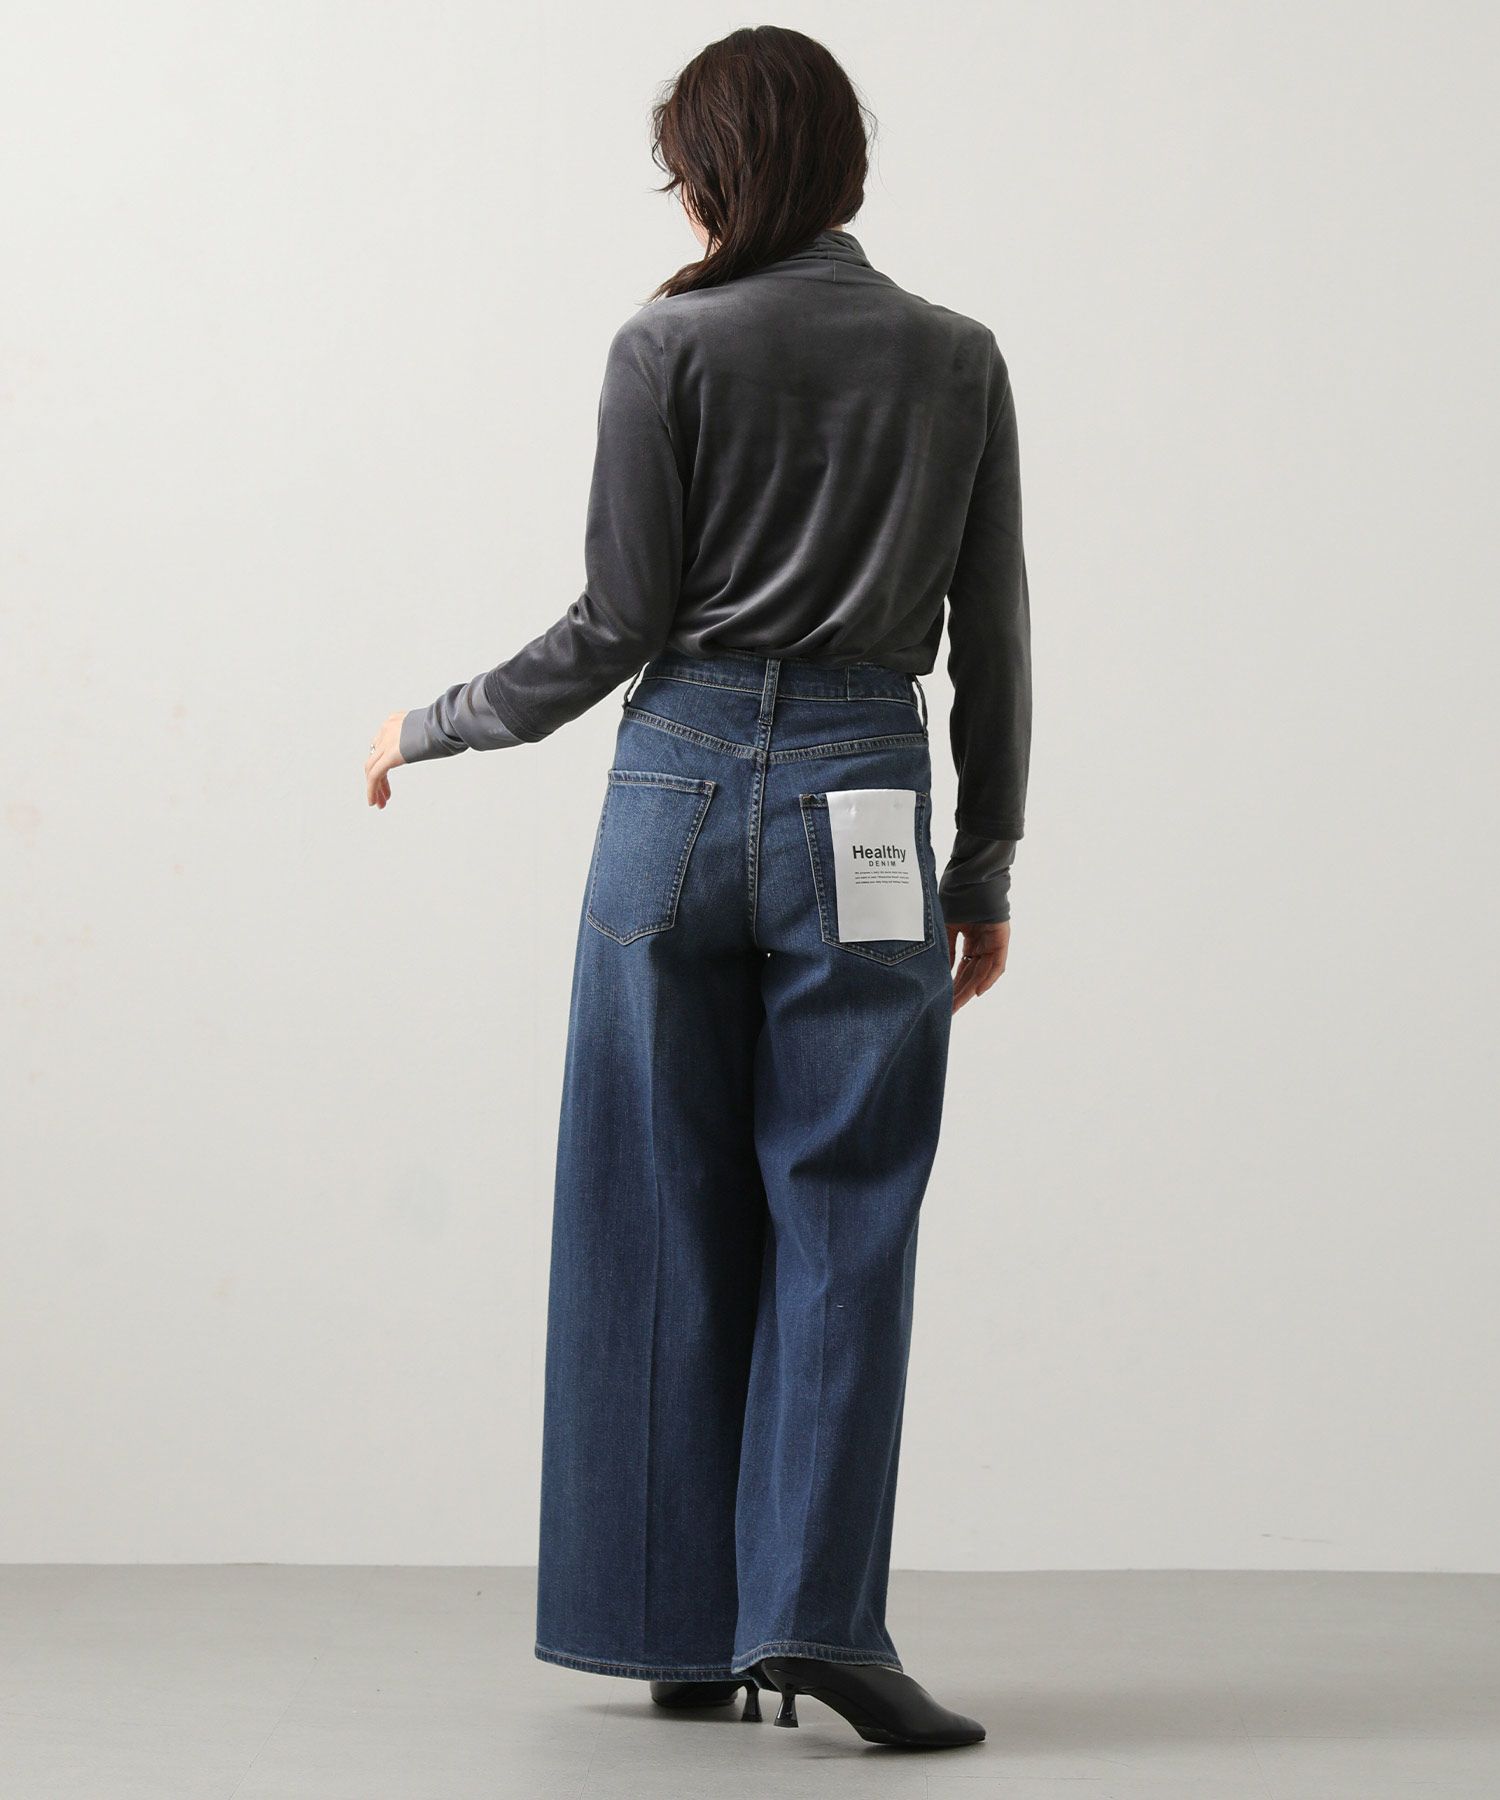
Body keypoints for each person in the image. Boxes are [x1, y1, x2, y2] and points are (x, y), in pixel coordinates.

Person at [364, 25, 1029, 1753]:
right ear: (848, 166)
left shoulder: (662, 345)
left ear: (713, 177)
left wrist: (434, 723)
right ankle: (814, 1622)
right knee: (844, 1208)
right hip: (864, 801)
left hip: (669, 793)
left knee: (652, 1208)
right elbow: (993, 640)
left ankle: (671, 1627)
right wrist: (985, 868)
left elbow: (616, 625)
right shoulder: (955, 357)